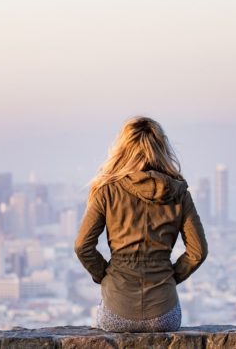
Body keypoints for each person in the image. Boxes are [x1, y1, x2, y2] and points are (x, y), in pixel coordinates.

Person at [74, 116, 208, 332]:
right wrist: (170, 277)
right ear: (161, 148)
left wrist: (106, 276)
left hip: (117, 310)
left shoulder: (107, 191)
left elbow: (82, 246)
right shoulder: (179, 193)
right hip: (165, 313)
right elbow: (198, 252)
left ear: (123, 149)